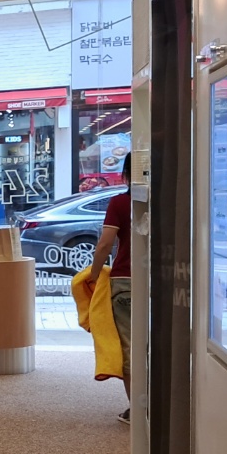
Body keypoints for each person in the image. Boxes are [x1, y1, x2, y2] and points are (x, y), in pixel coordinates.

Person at [85, 153, 132, 422]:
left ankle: (139, 408)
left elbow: (105, 244)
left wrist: (93, 275)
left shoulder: (120, 203)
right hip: (163, 281)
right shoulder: (171, 203)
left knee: (129, 345)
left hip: (126, 280)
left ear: (126, 174)